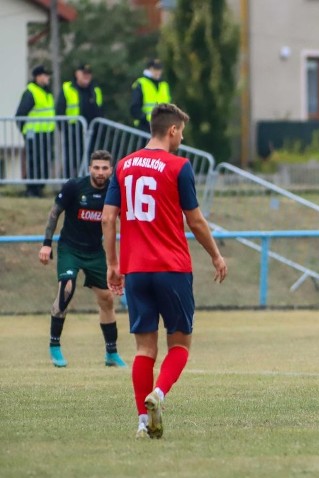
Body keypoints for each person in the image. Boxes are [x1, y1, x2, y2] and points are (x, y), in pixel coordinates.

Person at [102, 103, 227, 440]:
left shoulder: (124, 167)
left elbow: (107, 218)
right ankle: (158, 393)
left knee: (145, 349)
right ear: (172, 130)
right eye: (181, 132)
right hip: (172, 267)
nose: (182, 138)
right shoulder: (179, 167)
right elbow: (196, 220)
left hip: (137, 270)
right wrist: (215, 254)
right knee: (180, 344)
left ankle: (143, 421)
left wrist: (114, 265)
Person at [38, 150, 127, 369]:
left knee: (107, 298)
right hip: (70, 248)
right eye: (96, 167)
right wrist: (46, 244)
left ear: (111, 170)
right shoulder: (74, 187)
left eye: (105, 168)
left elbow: (126, 221)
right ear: (89, 169)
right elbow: (54, 213)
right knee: (66, 290)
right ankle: (55, 346)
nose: (100, 172)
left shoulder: (115, 192)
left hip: (96, 252)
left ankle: (111, 354)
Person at [56, 63, 104, 178]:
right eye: (83, 74)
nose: (86, 76)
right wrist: (65, 130)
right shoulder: (67, 88)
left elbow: (100, 111)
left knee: (91, 161)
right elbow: (59, 111)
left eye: (88, 74)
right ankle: (67, 185)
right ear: (77, 74)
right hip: (73, 131)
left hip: (91, 132)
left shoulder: (95, 90)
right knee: (72, 161)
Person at [15, 65, 55, 198]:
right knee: (34, 161)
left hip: (46, 133)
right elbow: (20, 115)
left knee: (44, 160)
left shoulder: (46, 92)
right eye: (45, 75)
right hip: (34, 134)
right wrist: (26, 132)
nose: (47, 78)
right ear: (37, 77)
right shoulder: (31, 92)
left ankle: (39, 188)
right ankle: (32, 189)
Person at [130, 58, 171, 133]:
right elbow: (135, 108)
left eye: (159, 69)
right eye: (155, 69)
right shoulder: (140, 84)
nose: (158, 72)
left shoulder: (164, 85)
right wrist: (144, 119)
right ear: (149, 69)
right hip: (144, 127)